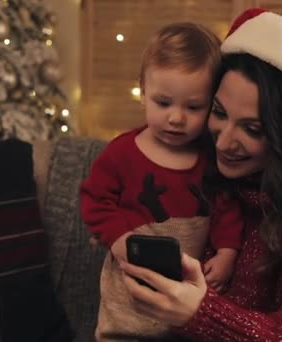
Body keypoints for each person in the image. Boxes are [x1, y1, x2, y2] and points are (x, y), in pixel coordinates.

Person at [119, 8, 282, 341]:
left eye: (252, 129)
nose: (224, 142)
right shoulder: (198, 167)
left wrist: (201, 313)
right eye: (219, 113)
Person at [79, 22, 244, 340]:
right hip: (130, 280)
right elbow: (95, 200)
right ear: (143, 92)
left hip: (189, 291)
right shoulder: (123, 152)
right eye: (163, 103)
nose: (176, 118)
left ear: (212, 103)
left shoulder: (211, 158)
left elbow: (226, 206)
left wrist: (227, 252)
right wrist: (118, 240)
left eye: (193, 107)